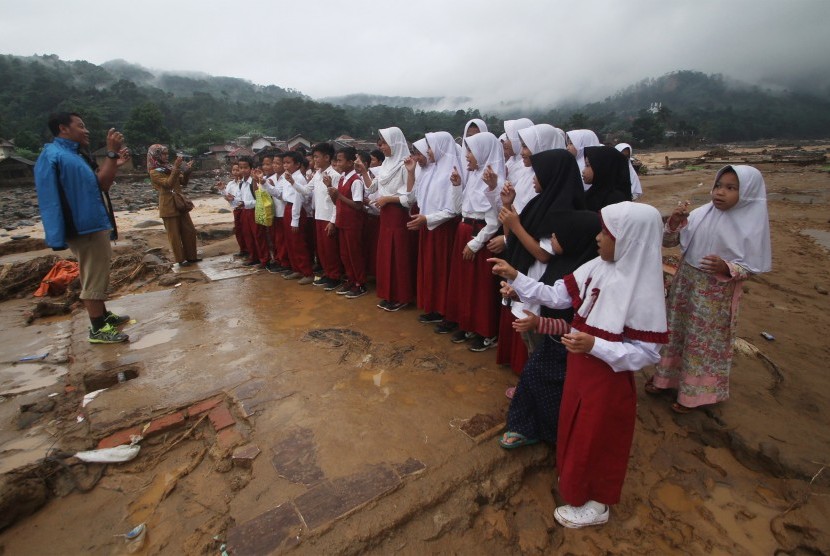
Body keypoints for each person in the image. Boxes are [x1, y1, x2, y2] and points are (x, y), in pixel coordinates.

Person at [491, 201, 669, 528]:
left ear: (629, 238)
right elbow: (558, 294)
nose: (599, 238)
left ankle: (598, 504)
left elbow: (646, 353)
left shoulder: (644, 288)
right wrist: (516, 276)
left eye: (607, 231)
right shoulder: (598, 266)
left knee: (600, 438)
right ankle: (576, 483)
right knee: (579, 428)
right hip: (581, 370)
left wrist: (596, 346)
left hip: (607, 380)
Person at [648, 166, 771, 412]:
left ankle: (693, 394)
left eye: (731, 188)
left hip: (716, 294)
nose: (720, 193)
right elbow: (669, 242)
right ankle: (665, 378)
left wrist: (725, 266)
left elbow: (752, 267)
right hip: (686, 284)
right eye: (718, 186)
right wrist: (675, 222)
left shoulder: (751, 225)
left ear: (747, 193)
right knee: (675, 332)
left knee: (702, 342)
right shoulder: (702, 213)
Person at [495, 210, 601, 447]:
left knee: (550, 391)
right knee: (532, 377)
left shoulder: (587, 277)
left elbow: (573, 322)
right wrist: (517, 289)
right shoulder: (563, 263)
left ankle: (550, 434)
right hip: (552, 342)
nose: (551, 240)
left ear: (573, 239)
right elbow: (547, 292)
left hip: (568, 348)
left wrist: (539, 323)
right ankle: (525, 427)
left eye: (557, 236)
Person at [34, 112, 131, 344]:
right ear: (63, 128)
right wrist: (110, 152)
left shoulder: (69, 155)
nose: (85, 130)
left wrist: (113, 162)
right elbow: (98, 185)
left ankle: (104, 316)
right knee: (94, 274)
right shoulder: (58, 156)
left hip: (90, 222)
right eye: (81, 126)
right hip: (83, 226)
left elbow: (97, 183)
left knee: (98, 269)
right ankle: (98, 328)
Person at [495, 149, 586, 374]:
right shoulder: (541, 201)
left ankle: (535, 386)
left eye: (538, 174)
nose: (534, 179)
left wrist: (515, 224)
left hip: (544, 279)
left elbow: (544, 254)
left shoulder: (563, 209)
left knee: (540, 341)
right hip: (529, 278)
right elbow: (512, 238)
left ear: (552, 175)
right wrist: (507, 207)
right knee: (529, 338)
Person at [440, 131, 505, 352]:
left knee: (481, 287)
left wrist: (475, 243)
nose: (467, 155)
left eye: (471, 151)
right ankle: (468, 324)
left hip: (479, 236)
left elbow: (494, 221)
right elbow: (460, 209)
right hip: (465, 230)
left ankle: (485, 331)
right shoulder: (474, 176)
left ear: (483, 152)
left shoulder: (495, 181)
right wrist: (457, 186)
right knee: (465, 284)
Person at [358, 127, 416, 312]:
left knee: (398, 256)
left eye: (384, 143)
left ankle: (402, 296)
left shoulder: (405, 165)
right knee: (386, 255)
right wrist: (364, 171)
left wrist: (388, 199)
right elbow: (371, 188)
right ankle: (389, 294)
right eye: (380, 143)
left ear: (395, 143)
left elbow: (409, 199)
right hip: (386, 215)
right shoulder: (385, 165)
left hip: (398, 215)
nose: (381, 146)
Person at [407, 131, 463, 324]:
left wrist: (428, 218)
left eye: (430, 147)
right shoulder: (432, 169)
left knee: (442, 270)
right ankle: (434, 307)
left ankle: (446, 310)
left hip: (443, 229)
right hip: (428, 225)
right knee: (430, 270)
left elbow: (453, 209)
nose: (428, 151)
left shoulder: (452, 170)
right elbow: (416, 196)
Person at [147, 145, 199, 267]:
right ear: (156, 156)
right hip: (168, 205)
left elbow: (183, 182)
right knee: (174, 235)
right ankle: (180, 260)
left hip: (180, 203)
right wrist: (176, 168)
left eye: (166, 154)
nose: (166, 156)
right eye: (163, 154)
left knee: (189, 230)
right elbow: (168, 184)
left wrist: (186, 171)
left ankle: (191, 257)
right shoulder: (154, 172)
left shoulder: (169, 168)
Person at [329, 147, 368, 298]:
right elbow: (337, 201)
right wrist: (333, 193)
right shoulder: (342, 178)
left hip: (353, 223)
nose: (337, 163)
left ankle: (360, 283)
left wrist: (339, 195)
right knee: (345, 254)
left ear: (350, 162)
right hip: (342, 221)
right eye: (336, 160)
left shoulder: (356, 180)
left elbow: (358, 205)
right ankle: (351, 279)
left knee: (355, 253)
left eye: (340, 160)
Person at [309, 143, 342, 289]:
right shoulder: (317, 175)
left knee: (330, 250)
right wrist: (292, 183)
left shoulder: (334, 176)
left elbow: (337, 202)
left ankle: (335, 277)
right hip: (319, 216)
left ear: (327, 157)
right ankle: (328, 274)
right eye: (314, 157)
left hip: (328, 217)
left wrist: (333, 221)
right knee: (322, 249)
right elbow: (306, 190)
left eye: (317, 156)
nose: (315, 159)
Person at [280, 151, 315, 285]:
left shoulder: (298, 178)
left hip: (296, 210)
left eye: (288, 163)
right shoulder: (286, 176)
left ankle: (307, 272)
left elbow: (298, 199)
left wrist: (295, 220)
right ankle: (297, 268)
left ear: (297, 164)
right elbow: (283, 194)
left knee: (298, 242)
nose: (285, 165)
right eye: (284, 163)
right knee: (290, 242)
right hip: (288, 208)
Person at [582, 145, 633, 212]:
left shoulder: (615, 200)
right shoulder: (592, 193)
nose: (583, 171)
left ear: (603, 168)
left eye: (588, 165)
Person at [223, 163, 246, 258]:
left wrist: (233, 199)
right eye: (234, 170)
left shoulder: (245, 182)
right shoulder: (230, 184)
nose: (235, 172)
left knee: (247, 231)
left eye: (238, 170)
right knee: (239, 230)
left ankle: (250, 250)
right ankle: (243, 249)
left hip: (244, 208)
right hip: (236, 209)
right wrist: (225, 194)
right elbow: (226, 196)